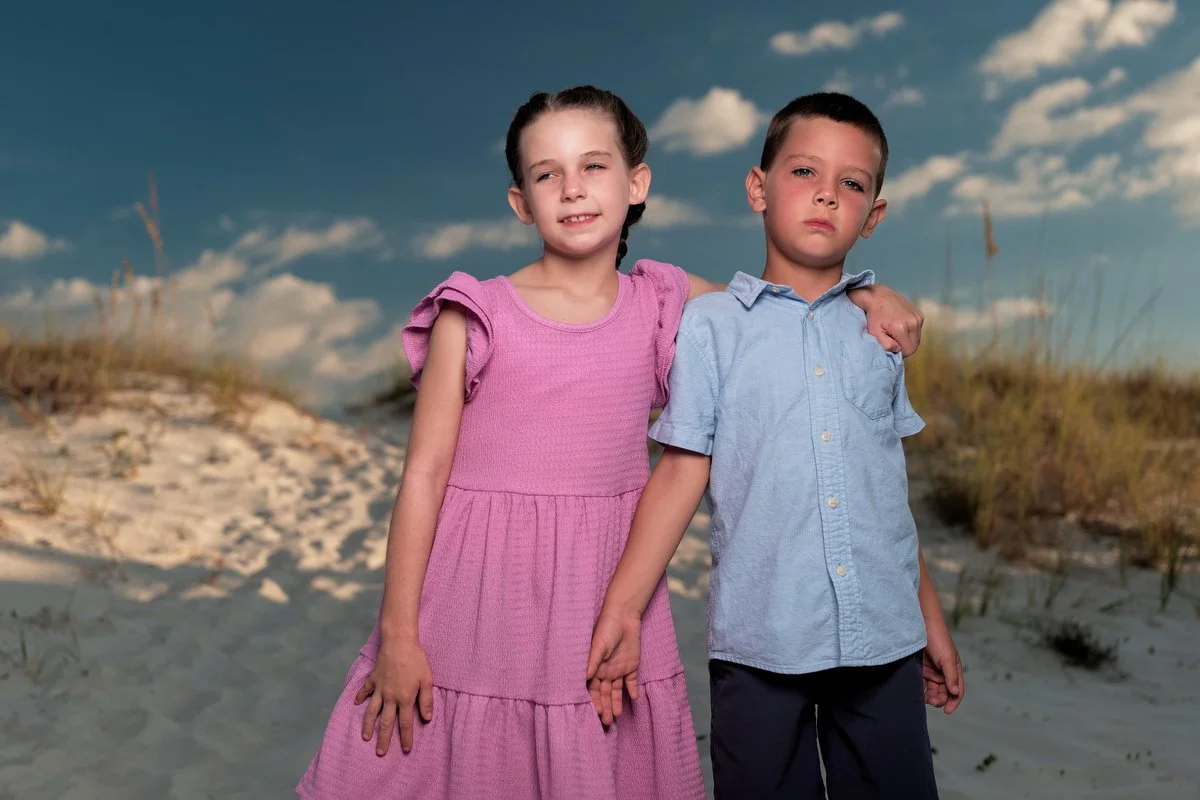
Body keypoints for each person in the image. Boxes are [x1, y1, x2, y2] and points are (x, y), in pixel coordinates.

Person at [296, 85, 925, 800]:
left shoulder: (662, 299)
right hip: (473, 600)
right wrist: (399, 635)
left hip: (601, 587)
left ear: (636, 184)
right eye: (546, 174)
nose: (572, 190)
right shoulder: (474, 314)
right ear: (519, 202)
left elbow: (783, 313)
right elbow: (424, 477)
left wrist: (868, 297)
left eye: (594, 167)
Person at [586, 91, 964, 800]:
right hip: (759, 644)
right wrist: (623, 606)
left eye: (851, 184)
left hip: (883, 643)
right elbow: (679, 475)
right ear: (759, 189)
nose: (826, 194)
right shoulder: (712, 328)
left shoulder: (879, 337)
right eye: (803, 173)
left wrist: (930, 624)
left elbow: (885, 499)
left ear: (872, 214)